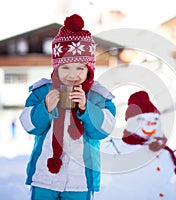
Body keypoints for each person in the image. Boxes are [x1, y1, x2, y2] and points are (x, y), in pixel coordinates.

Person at [19, 14, 116, 200]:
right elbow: (29, 125)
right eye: (65, 68)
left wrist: (87, 109)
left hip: (80, 179)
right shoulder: (42, 91)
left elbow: (104, 129)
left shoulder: (98, 96)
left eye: (80, 68)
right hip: (44, 175)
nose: (73, 75)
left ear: (89, 69)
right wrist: (45, 107)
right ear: (55, 68)